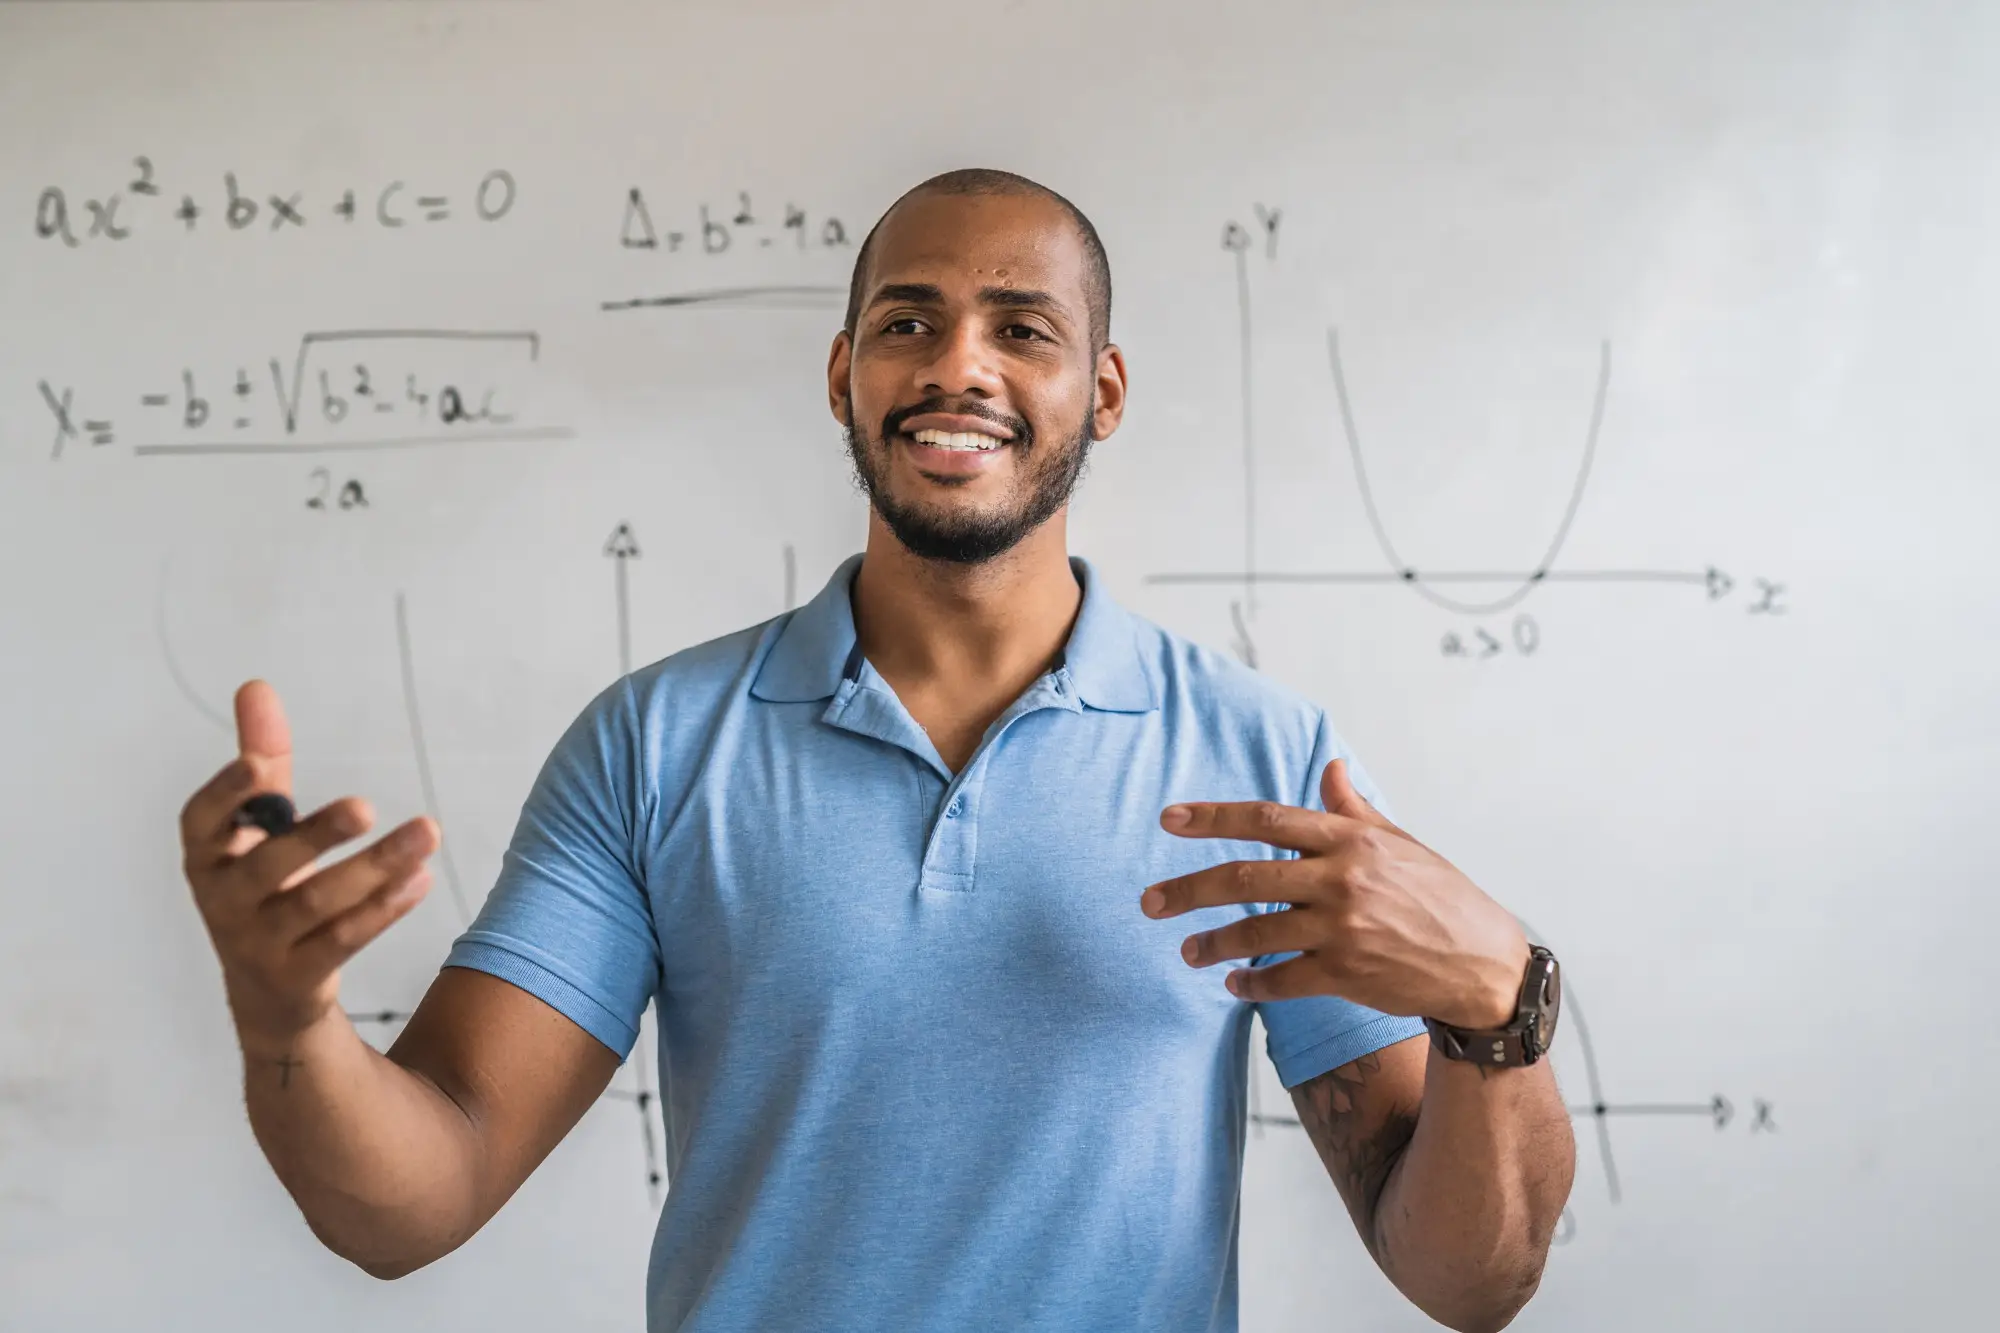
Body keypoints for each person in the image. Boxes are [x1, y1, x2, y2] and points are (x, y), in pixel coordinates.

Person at [179, 168, 1574, 1333]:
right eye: (911, 321)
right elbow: (414, 1202)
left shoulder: (1263, 757)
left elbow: (1468, 1279)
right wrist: (282, 1017)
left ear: (1105, 390)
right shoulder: (657, 747)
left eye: (1021, 328)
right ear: (848, 374)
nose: (956, 362)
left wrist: (1494, 1008)